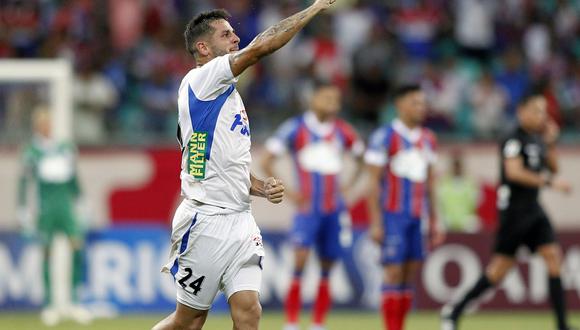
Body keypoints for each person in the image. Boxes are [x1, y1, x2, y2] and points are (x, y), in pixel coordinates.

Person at [152, 1, 337, 329]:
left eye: (235, 33)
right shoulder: (202, 80)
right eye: (227, 35)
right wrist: (314, 9)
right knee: (190, 321)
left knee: (249, 311)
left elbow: (225, 163)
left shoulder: (225, 94)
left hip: (241, 220)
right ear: (203, 47)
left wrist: (261, 186)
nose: (237, 39)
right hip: (207, 219)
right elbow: (261, 48)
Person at [441, 90, 575, 330]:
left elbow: (553, 168)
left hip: (534, 210)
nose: (541, 116)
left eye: (543, 111)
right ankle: (455, 310)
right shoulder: (513, 139)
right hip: (514, 212)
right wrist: (549, 183)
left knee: (554, 259)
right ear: (521, 111)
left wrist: (552, 143)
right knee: (498, 271)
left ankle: (563, 325)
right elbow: (514, 173)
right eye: (535, 110)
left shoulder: (537, 140)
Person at [261, 81, 364, 330]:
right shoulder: (295, 128)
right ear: (313, 99)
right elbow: (267, 160)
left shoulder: (343, 131)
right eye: (327, 98)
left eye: (336, 99)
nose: (333, 104)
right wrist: (291, 192)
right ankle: (292, 322)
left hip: (334, 209)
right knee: (300, 260)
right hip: (307, 210)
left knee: (328, 265)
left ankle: (318, 323)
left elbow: (363, 158)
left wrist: (349, 185)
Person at [365, 85, 444, 330]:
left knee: (410, 274)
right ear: (399, 105)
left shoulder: (428, 139)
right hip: (393, 217)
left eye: (422, 103)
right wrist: (376, 222)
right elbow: (373, 184)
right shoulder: (384, 137)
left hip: (417, 217)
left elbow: (431, 183)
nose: (420, 108)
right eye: (415, 103)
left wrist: (435, 220)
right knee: (393, 273)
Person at [18, 106, 90, 326]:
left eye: (48, 122)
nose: (46, 127)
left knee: (77, 248)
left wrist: (81, 202)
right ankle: (50, 304)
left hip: (66, 207)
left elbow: (73, 179)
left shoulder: (65, 148)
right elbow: (24, 183)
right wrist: (23, 210)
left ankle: (75, 302)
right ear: (37, 126)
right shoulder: (32, 152)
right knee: (47, 252)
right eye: (42, 123)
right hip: (46, 208)